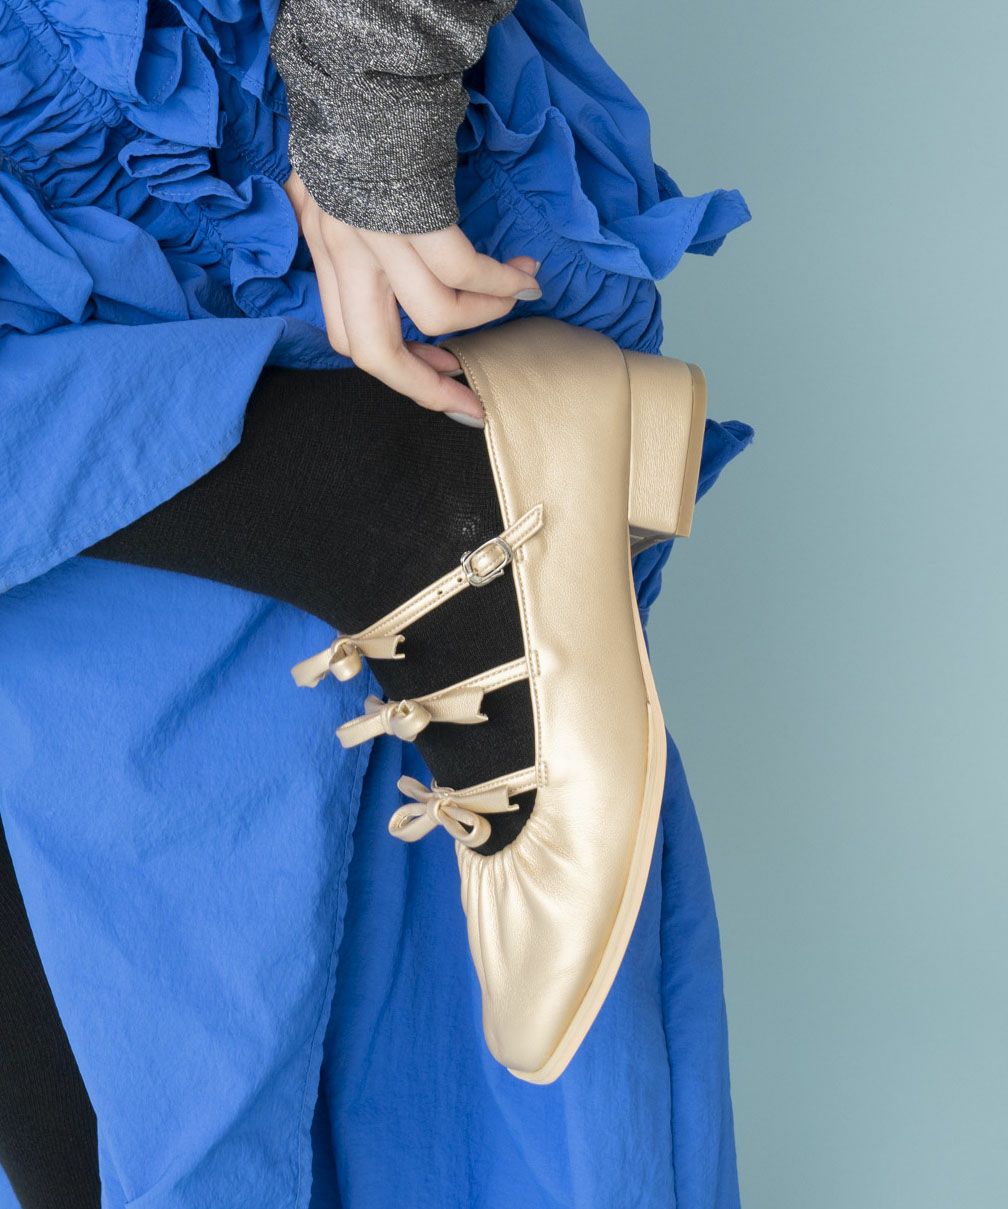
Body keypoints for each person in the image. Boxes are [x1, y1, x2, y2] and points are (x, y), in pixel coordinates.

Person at [0, 0, 752, 1204]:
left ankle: (403, 508)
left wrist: (375, 73)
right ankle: (386, 501)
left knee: (233, 1015)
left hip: (174, 230)